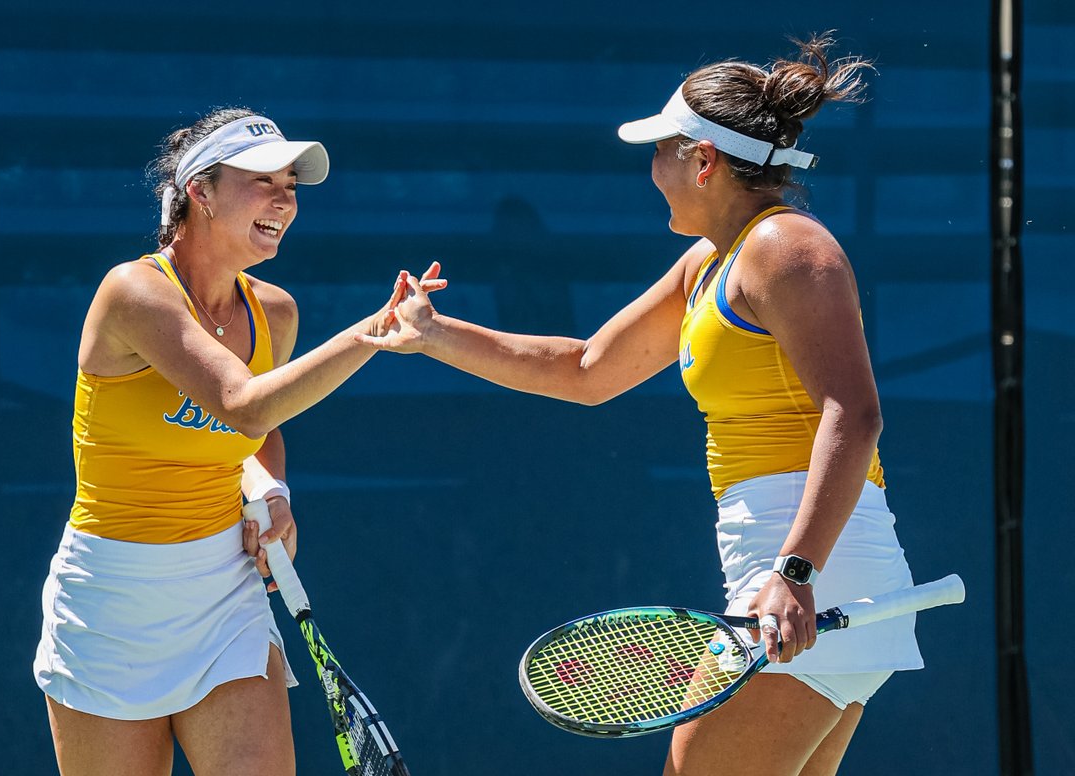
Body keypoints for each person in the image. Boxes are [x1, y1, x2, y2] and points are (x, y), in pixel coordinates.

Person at [362, 34, 922, 776]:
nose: (652, 169)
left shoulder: (785, 249)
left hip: (817, 571)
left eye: (661, 151)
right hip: (799, 572)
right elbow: (587, 370)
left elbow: (854, 414)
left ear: (703, 161)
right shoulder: (709, 263)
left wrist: (795, 572)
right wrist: (434, 334)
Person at [33, 107, 422, 776]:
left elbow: (261, 435)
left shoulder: (275, 312)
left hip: (224, 594)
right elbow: (243, 406)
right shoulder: (132, 292)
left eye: (290, 186)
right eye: (262, 181)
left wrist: (273, 492)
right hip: (109, 601)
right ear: (201, 192)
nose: (284, 200)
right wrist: (372, 334)